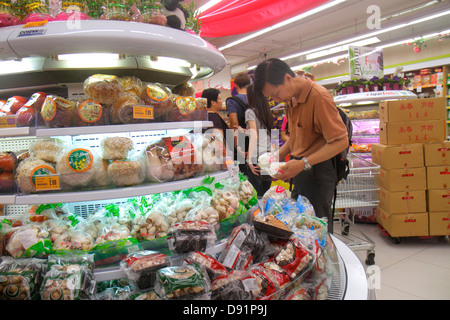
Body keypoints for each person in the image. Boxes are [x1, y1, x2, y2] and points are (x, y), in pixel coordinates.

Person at [253, 58, 349, 233]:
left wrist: (304, 163)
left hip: (318, 173)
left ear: (288, 78)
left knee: (316, 230)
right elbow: (296, 136)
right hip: (300, 170)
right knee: (297, 227)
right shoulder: (291, 99)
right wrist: (276, 156)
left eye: (276, 94)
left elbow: (340, 141)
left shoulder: (318, 97)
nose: (277, 99)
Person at [244, 83, 273, 196]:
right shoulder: (266, 112)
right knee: (265, 194)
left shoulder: (250, 112)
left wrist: (249, 159)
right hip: (267, 156)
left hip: (256, 158)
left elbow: (254, 135)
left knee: (256, 195)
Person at [226, 72, 251, 167]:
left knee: (245, 172)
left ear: (236, 86)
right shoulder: (257, 99)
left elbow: (234, 123)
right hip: (257, 138)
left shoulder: (232, 101)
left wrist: (236, 145)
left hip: (242, 139)